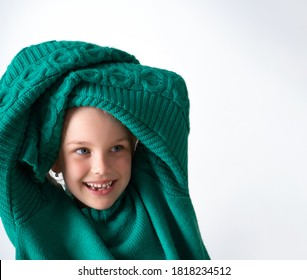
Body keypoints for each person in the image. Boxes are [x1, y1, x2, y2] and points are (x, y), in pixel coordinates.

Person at [0, 40, 210, 260]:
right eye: (82, 151)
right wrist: (65, 84)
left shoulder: (157, 190)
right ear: (55, 158)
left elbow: (170, 89)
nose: (101, 168)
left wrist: (79, 79)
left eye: (117, 148)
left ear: (133, 149)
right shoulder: (35, 218)